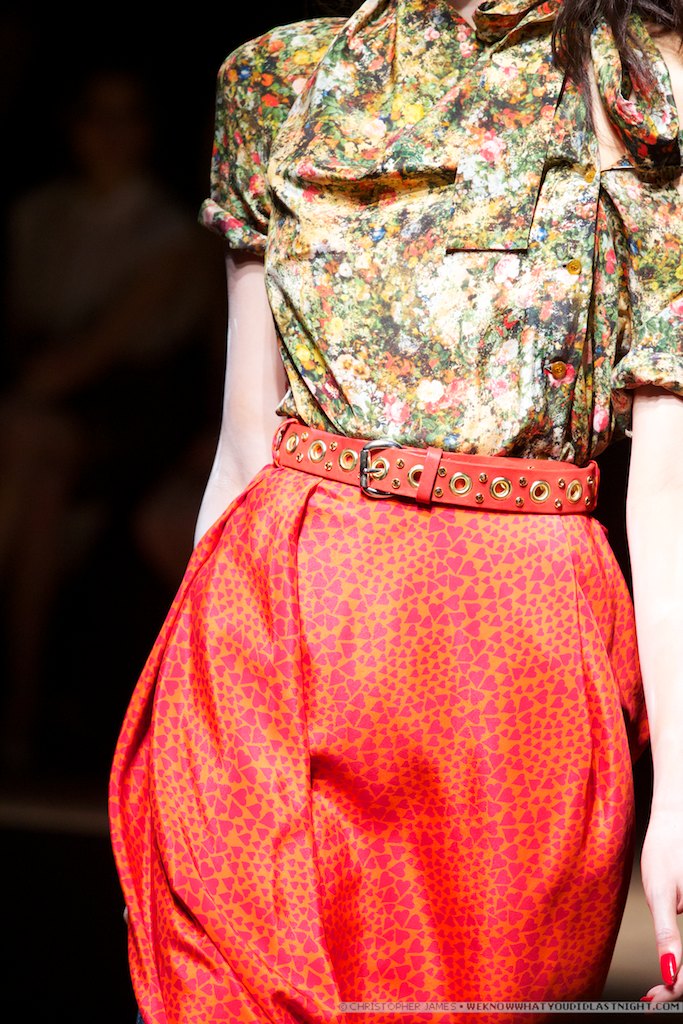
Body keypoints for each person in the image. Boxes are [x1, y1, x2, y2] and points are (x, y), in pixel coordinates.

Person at [109, 0, 683, 1020]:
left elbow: (667, 490)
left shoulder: (644, 86)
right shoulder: (282, 75)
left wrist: (679, 792)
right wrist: (166, 724)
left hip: (512, 667)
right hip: (273, 615)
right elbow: (245, 441)